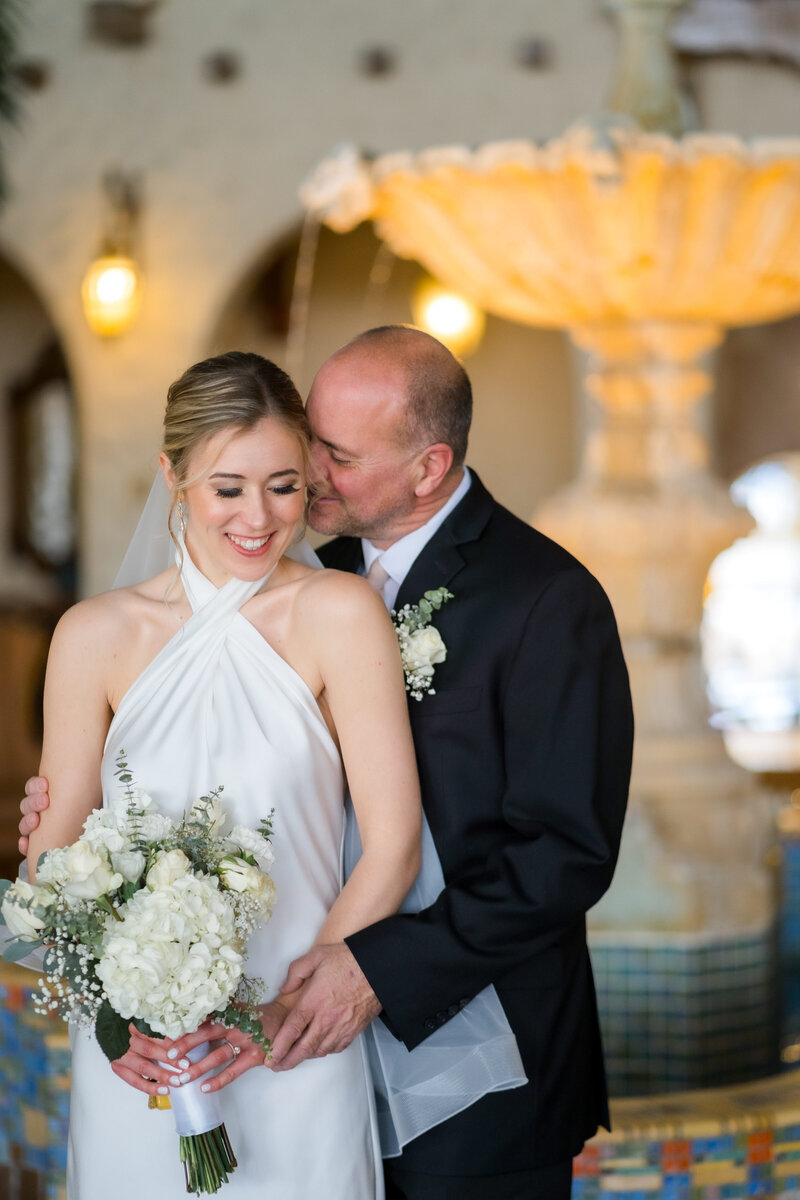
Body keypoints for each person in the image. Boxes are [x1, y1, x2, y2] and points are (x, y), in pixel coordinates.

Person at [21, 327, 634, 1200]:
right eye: (243, 480)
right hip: (181, 1039)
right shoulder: (284, 570)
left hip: (458, 1040)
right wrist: (113, 988)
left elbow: (560, 855)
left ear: (426, 468)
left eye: (314, 466)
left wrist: (346, 975)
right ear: (175, 477)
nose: (284, 500)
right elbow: (58, 861)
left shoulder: (541, 599)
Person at [22, 351, 425, 1200]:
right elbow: (52, 869)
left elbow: (392, 849)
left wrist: (288, 1010)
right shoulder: (92, 634)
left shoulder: (339, 617)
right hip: (145, 1057)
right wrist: (109, 1014)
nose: (259, 516)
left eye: (284, 485)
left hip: (295, 1043)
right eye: (227, 488)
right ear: (173, 476)